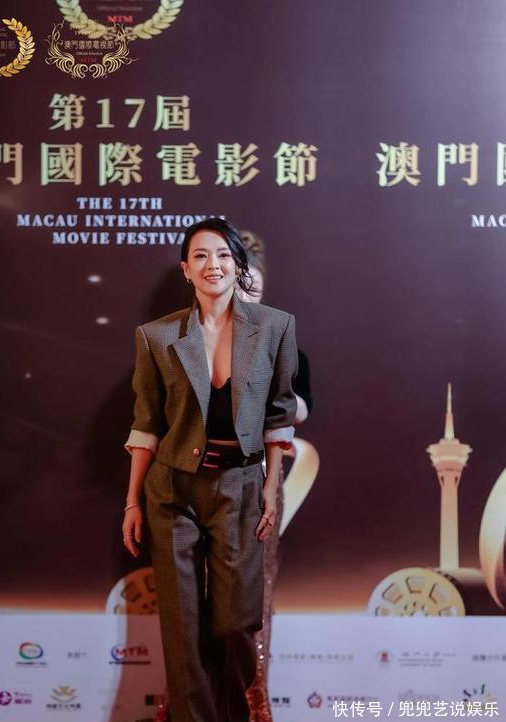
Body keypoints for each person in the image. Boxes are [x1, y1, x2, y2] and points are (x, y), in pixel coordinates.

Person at [122, 217, 298, 722]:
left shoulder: (274, 326)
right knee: (182, 630)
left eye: (222, 255)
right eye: (200, 255)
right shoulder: (156, 336)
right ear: (185, 269)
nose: (212, 265)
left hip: (240, 488)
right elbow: (146, 425)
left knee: (233, 624)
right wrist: (133, 501)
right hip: (172, 491)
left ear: (237, 264)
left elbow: (280, 416)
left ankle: (233, 713)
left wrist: (270, 487)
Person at [238, 229, 313, 722]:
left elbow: (302, 409)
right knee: (195, 589)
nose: (250, 296)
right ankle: (188, 696)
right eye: (242, 285)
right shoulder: (192, 343)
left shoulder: (285, 343)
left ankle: (254, 693)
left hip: (263, 479)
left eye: (257, 288)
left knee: (257, 587)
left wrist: (274, 390)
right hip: (199, 480)